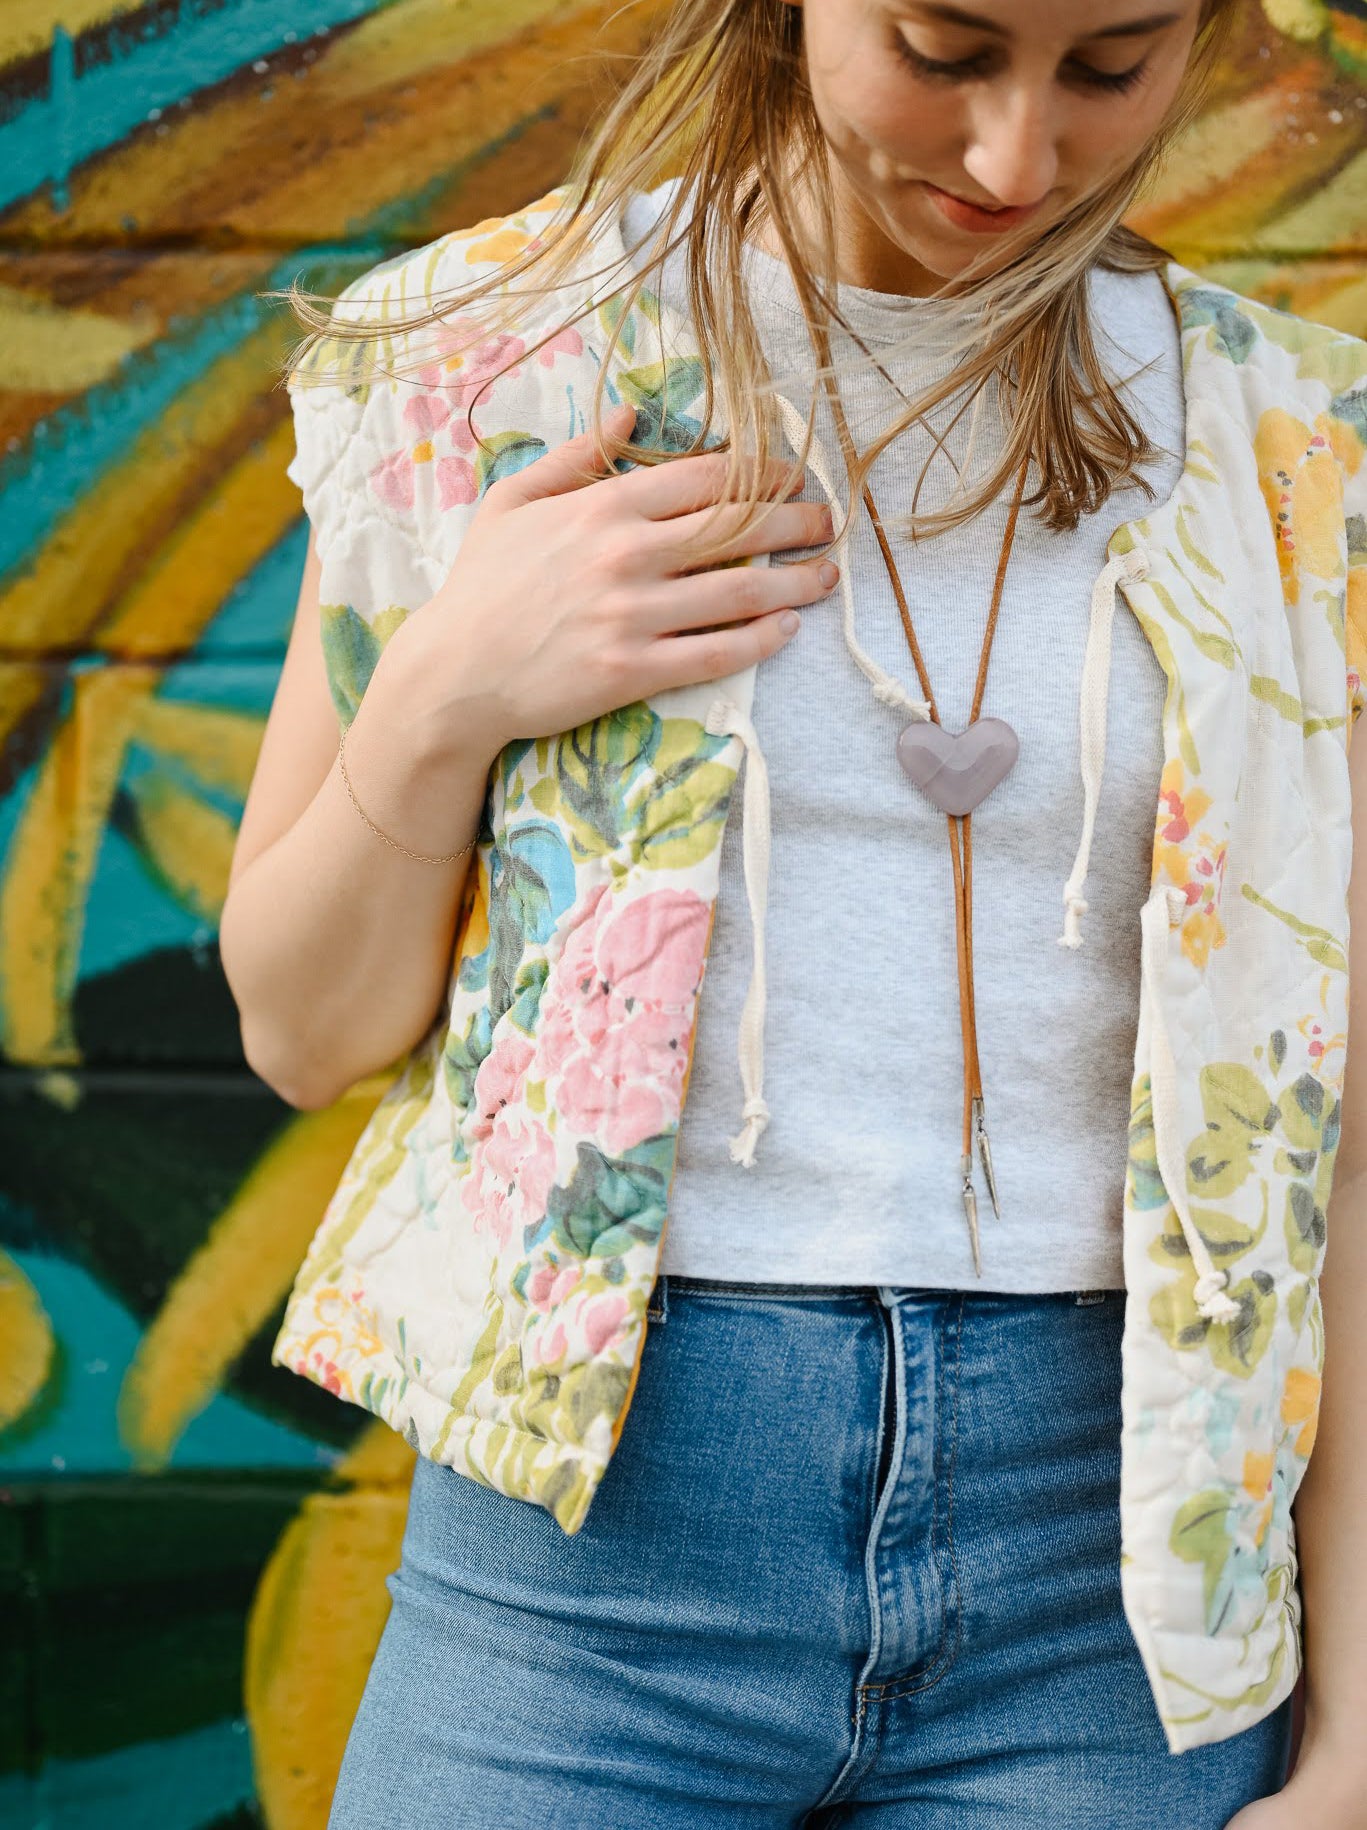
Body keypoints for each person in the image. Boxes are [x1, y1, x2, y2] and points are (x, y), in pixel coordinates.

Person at [222, 1, 1367, 1824]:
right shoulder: (489, 358)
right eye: (942, 46)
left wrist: (1359, 1749)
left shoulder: (1295, 450)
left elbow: (1345, 1158)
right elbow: (301, 1029)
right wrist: (447, 686)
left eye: (1108, 65)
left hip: (1119, 1595)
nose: (1015, 155)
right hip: (588, 1568)